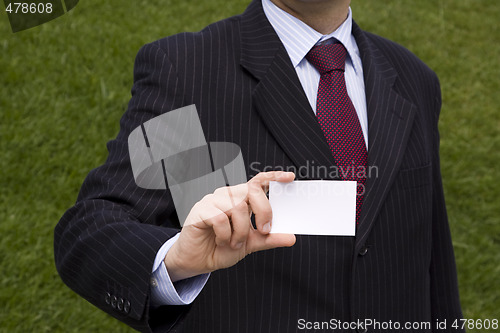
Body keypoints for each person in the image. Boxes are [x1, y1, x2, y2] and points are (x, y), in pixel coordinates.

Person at [54, 0, 465, 332]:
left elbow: (435, 261)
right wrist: (176, 258)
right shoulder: (190, 72)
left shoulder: (414, 79)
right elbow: (91, 232)